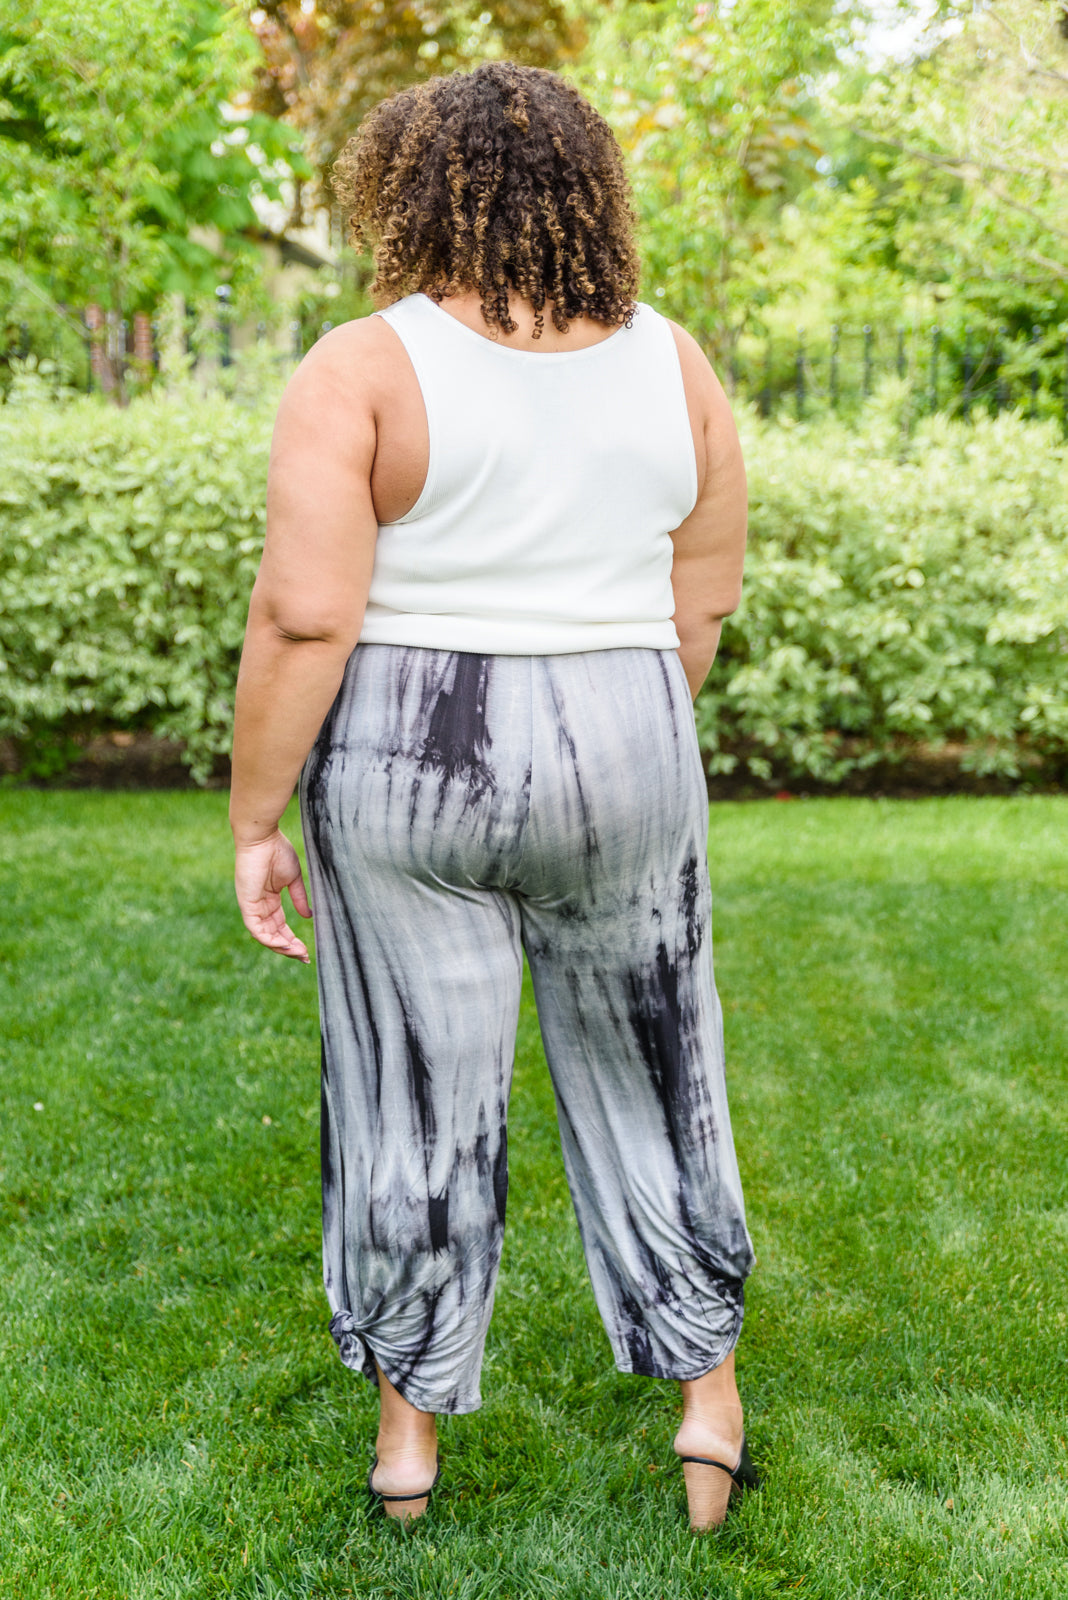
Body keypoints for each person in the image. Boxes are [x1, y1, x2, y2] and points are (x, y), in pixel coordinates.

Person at [228, 59, 755, 1532]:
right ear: (588, 192)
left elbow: (306, 619)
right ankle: (707, 1412)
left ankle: (408, 1448)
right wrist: (614, 736)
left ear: (408, 194)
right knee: (661, 1066)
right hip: (629, 724)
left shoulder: (361, 367)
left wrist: (257, 817)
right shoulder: (675, 363)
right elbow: (702, 604)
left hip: (410, 748)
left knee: (412, 1092)